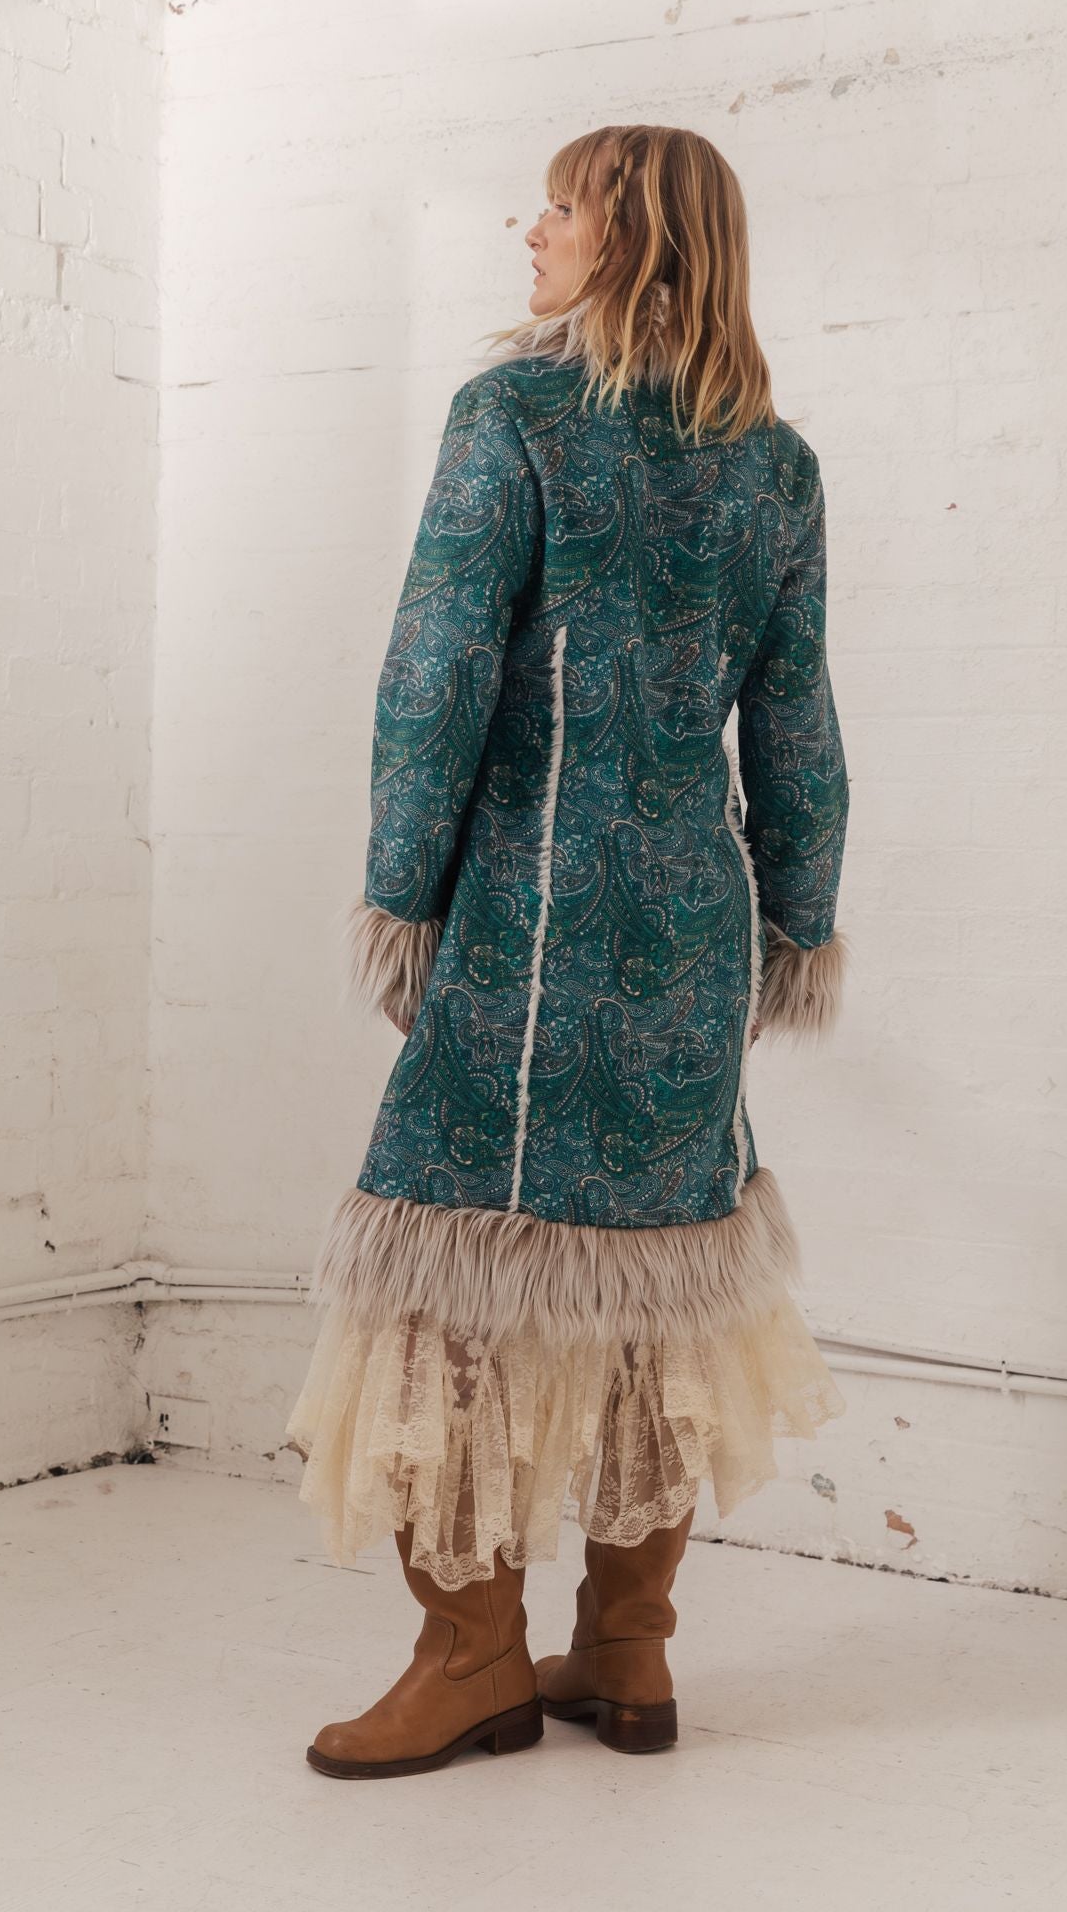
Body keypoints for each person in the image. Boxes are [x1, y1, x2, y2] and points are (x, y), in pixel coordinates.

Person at [286, 123, 851, 1780]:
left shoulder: (514, 418)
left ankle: (472, 1658)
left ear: (633, 237)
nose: (528, 230)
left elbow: (434, 679)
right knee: (655, 1283)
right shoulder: (777, 463)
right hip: (694, 931)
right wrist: (798, 922)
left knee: (453, 1281)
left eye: (559, 206)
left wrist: (401, 899)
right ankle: (627, 1648)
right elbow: (798, 726)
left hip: (529, 928)